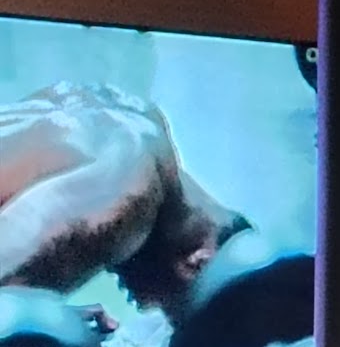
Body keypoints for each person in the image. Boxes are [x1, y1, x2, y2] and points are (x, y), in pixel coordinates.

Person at [0, 82, 250, 327]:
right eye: (171, 314)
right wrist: (39, 326)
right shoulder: (124, 195)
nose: (142, 306)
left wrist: (46, 311)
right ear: (198, 263)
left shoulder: (127, 114)